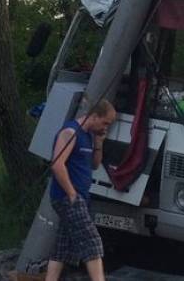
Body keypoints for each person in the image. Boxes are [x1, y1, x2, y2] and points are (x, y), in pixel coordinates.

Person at [45, 100, 116, 281]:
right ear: (94, 116)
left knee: (63, 245)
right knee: (92, 241)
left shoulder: (89, 136)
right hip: (67, 197)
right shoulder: (70, 132)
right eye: (105, 122)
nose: (105, 127)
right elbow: (57, 164)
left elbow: (94, 164)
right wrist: (71, 193)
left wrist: (99, 142)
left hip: (81, 197)